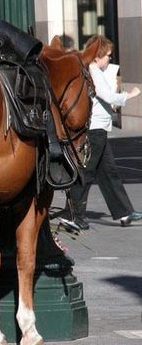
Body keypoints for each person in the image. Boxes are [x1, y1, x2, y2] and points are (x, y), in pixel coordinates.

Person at [59, 34, 142, 230]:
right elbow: (106, 95)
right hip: (95, 129)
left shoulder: (95, 70)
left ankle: (124, 213)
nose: (110, 59)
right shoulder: (94, 70)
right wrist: (129, 95)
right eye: (108, 55)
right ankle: (73, 215)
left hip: (100, 128)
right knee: (87, 171)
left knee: (108, 171)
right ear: (97, 56)